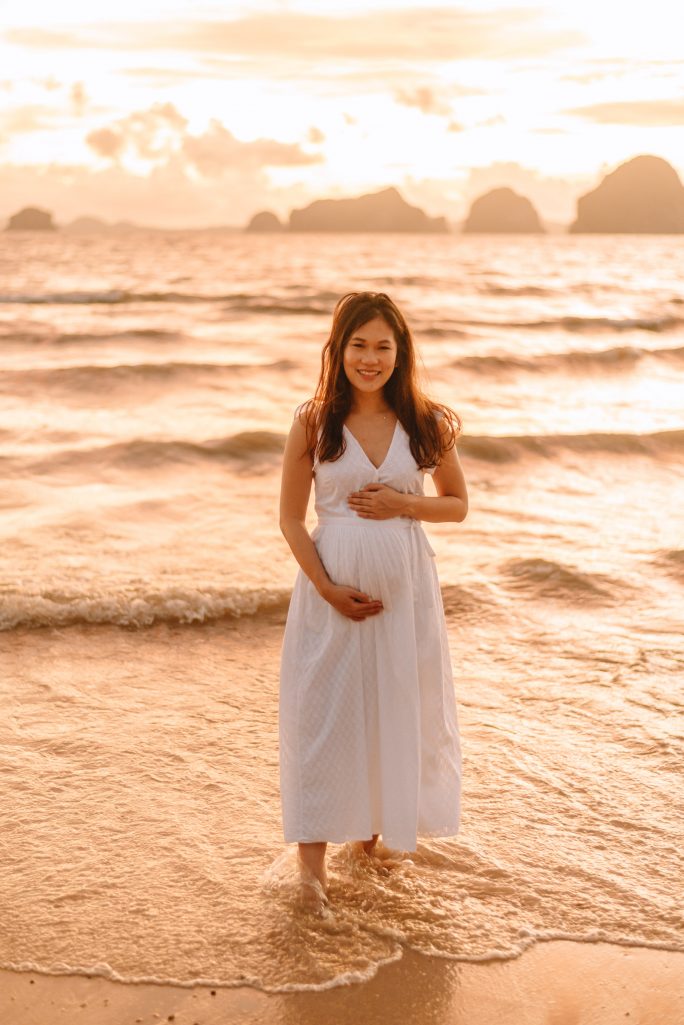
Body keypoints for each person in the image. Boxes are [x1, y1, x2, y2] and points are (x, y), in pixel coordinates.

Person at [278, 291, 468, 911]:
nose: (370, 358)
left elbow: (457, 504)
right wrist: (328, 588)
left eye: (383, 346)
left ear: (400, 351)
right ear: (340, 350)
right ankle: (311, 876)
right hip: (330, 591)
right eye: (359, 345)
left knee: (391, 708)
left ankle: (367, 847)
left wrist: (402, 504)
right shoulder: (313, 421)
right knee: (322, 718)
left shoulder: (426, 421)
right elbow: (289, 520)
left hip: (406, 595)